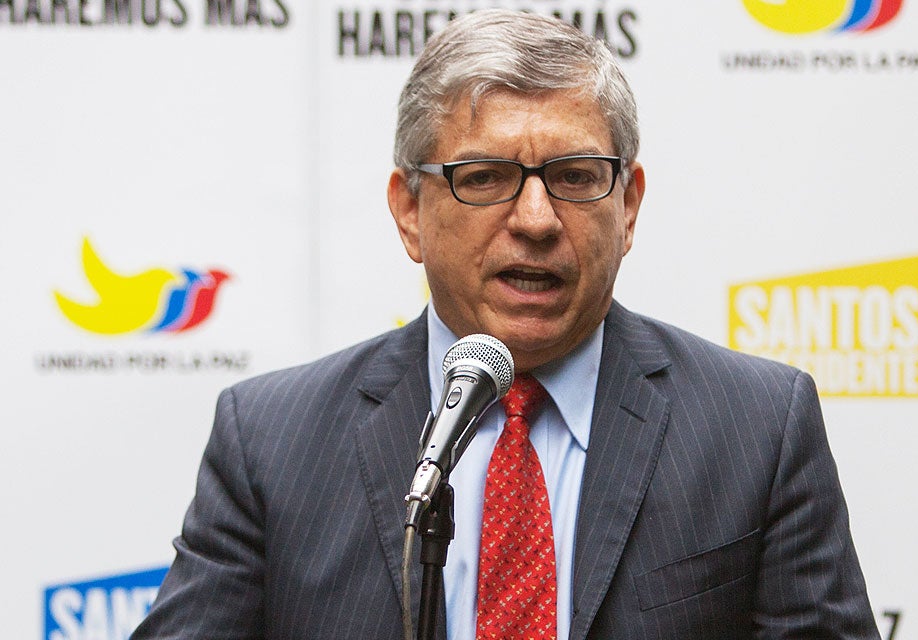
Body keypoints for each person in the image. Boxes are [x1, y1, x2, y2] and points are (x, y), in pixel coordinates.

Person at [133, 9, 879, 640]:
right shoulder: (272, 441)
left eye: (576, 177)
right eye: (485, 178)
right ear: (409, 211)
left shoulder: (758, 426)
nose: (536, 220)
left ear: (628, 207)